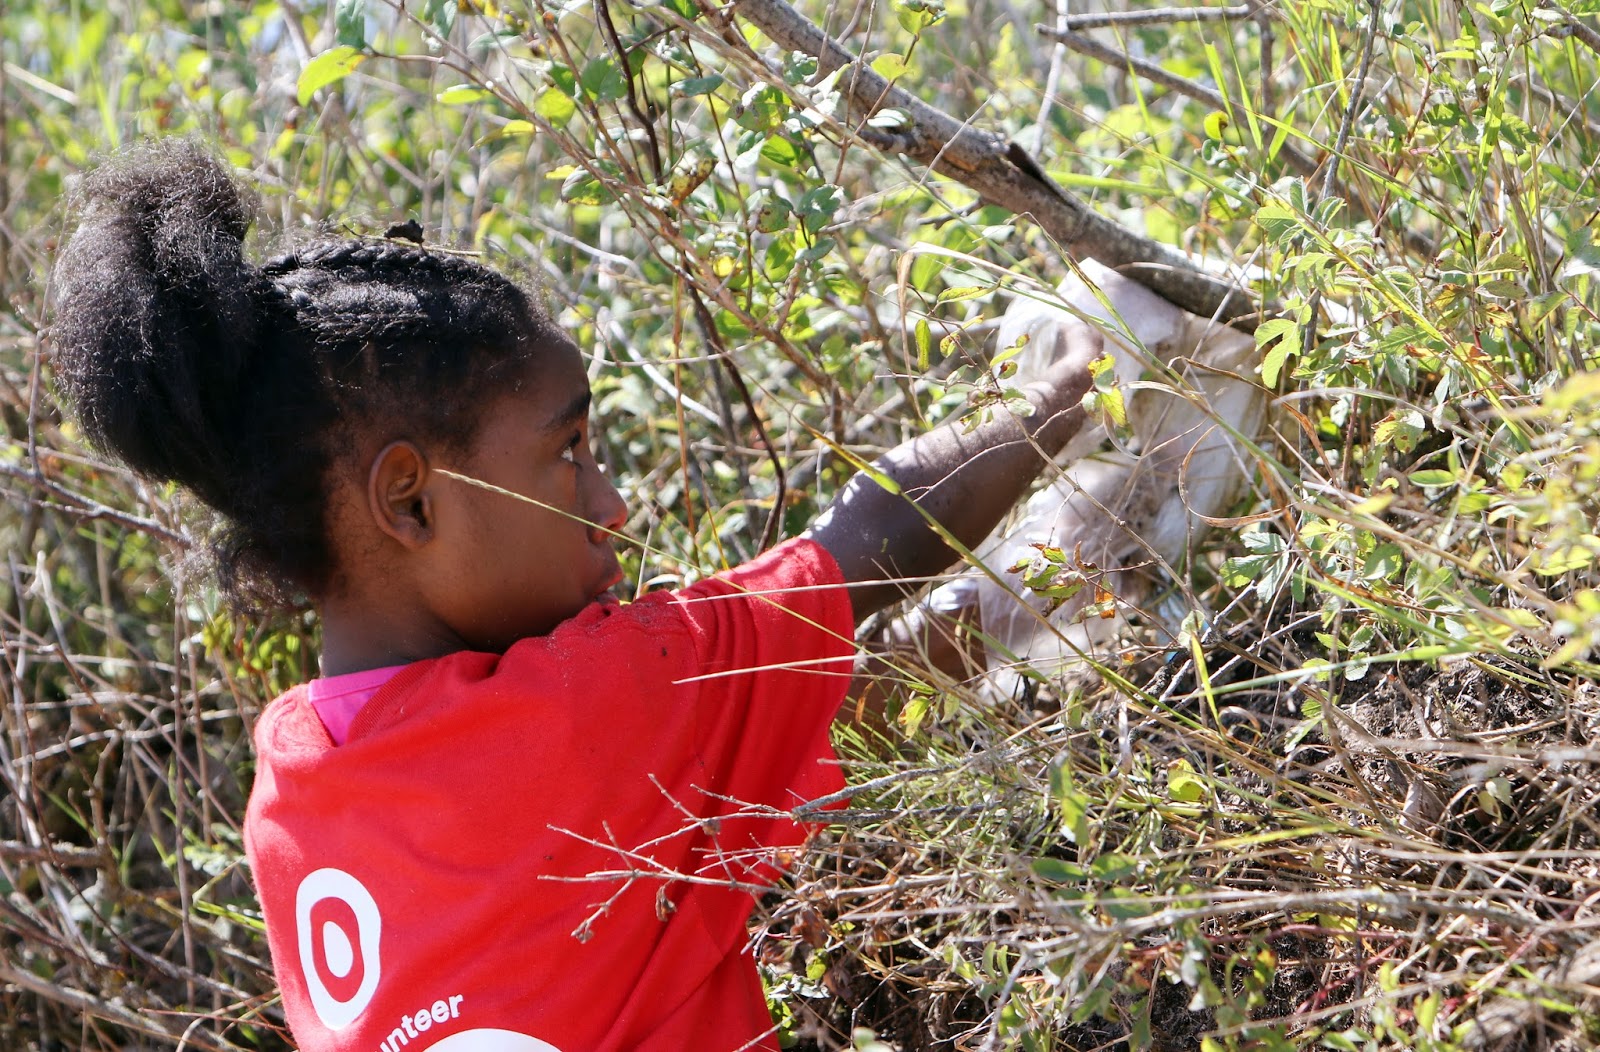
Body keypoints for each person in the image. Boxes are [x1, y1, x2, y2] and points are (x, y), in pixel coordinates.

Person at [49, 138, 1100, 1052]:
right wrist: (1071, 387)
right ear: (410, 501)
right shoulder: (580, 710)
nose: (613, 504)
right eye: (570, 450)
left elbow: (809, 727)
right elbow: (865, 544)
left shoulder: (290, 798)